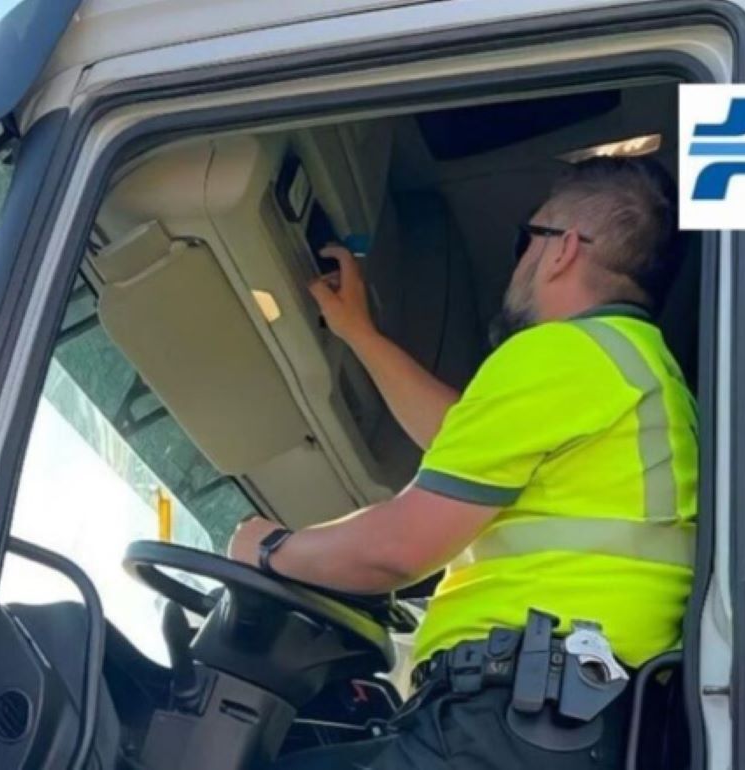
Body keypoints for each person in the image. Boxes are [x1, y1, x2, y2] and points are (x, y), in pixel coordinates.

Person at [228, 156, 697, 769]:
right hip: (568, 727)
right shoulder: (639, 374)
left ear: (563, 250)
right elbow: (462, 439)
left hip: (509, 725)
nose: (521, 261)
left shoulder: (561, 353)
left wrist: (267, 550)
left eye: (527, 238)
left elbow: (397, 549)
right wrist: (359, 335)